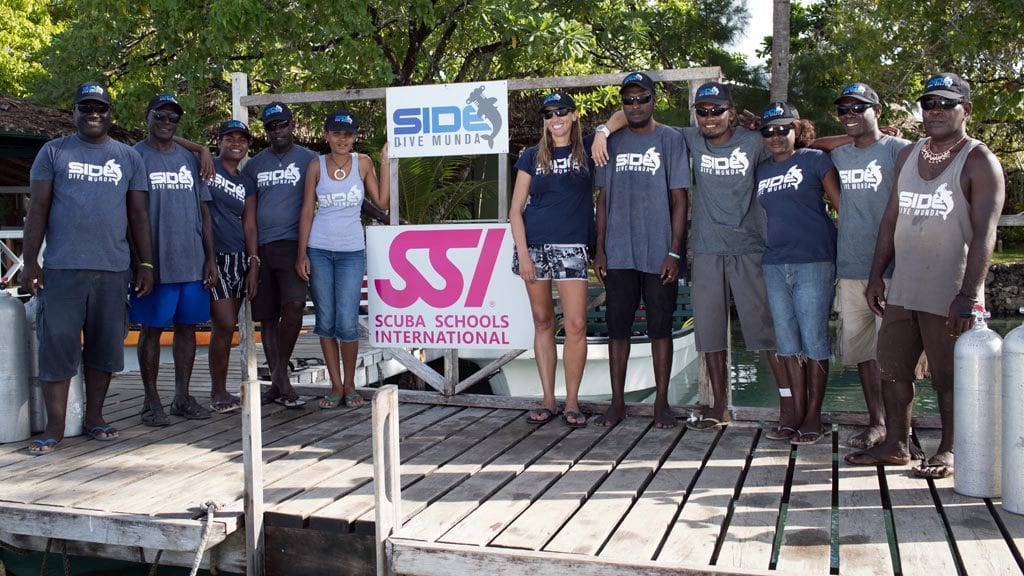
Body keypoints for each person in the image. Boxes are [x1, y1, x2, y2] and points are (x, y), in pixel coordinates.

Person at [593, 81, 788, 432]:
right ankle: (714, 407)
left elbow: (796, 143)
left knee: (763, 334)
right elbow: (628, 120)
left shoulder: (747, 139)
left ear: (732, 110)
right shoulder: (683, 137)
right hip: (697, 249)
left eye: (716, 110)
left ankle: (790, 407)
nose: (709, 117)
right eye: (703, 110)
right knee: (707, 333)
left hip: (743, 248)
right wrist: (602, 130)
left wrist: (672, 251)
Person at [846, 73, 1005, 478]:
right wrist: (877, 274)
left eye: (945, 104)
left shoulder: (978, 160)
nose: (934, 111)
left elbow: (987, 234)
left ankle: (951, 449)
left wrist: (968, 295)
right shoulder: (909, 154)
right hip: (905, 286)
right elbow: (891, 218)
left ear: (965, 110)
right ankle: (897, 446)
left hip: (951, 291)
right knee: (893, 367)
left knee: (949, 376)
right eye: (928, 104)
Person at [21, 82, 153, 454]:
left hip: (113, 270)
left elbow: (139, 215)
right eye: (85, 107)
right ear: (75, 112)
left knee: (105, 347)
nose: (93, 114)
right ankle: (55, 427)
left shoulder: (128, 158)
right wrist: (31, 262)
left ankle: (95, 416)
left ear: (111, 113)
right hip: (63, 268)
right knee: (57, 346)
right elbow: (37, 211)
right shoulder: (53, 152)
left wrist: (145, 263)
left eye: (100, 108)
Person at [593, 72, 689, 429]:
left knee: (660, 328)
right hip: (618, 253)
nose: (635, 106)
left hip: (658, 252)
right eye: (628, 100)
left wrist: (675, 252)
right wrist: (600, 248)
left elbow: (680, 199)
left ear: (654, 100)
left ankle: (661, 403)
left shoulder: (671, 139)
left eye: (642, 98)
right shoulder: (612, 142)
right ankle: (617, 403)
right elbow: (602, 198)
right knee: (617, 329)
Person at [820, 83, 909, 449]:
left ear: (879, 109)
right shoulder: (841, 155)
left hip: (894, 269)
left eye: (859, 108)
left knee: (896, 354)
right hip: (852, 267)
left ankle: (901, 430)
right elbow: (814, 144)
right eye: (844, 110)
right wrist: (850, 134)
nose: (850, 114)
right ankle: (877, 423)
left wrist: (874, 135)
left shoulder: (899, 151)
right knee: (863, 353)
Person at [754, 102, 841, 445]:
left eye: (783, 129)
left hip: (814, 260)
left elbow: (842, 208)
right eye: (768, 131)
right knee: (787, 342)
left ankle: (813, 416)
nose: (775, 136)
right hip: (775, 262)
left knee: (814, 339)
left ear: (796, 129)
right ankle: (794, 413)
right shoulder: (761, 170)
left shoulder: (815, 160)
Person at [131, 93, 218, 426]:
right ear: (147, 117)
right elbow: (131, 215)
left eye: (172, 118)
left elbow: (204, 211)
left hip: (192, 262)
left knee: (187, 329)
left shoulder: (188, 159)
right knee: (151, 330)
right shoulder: (135, 156)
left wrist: (209, 258)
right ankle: (150, 401)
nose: (166, 123)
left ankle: (182, 396)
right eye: (160, 116)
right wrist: (141, 262)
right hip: (156, 264)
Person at [509, 92, 594, 428]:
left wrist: (601, 131)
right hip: (536, 247)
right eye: (548, 114)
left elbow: (618, 119)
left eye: (561, 112)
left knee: (576, 325)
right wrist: (525, 255)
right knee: (543, 321)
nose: (555, 119)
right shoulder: (531, 156)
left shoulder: (587, 148)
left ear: (573, 115)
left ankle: (572, 402)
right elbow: (515, 211)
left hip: (572, 247)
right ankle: (548, 399)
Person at [296, 110, 389, 409]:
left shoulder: (363, 163)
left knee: (348, 321)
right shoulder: (315, 166)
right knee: (325, 320)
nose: (342, 139)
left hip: (351, 251)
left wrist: (386, 161)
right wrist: (301, 254)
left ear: (354, 137)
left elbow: (382, 201)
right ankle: (335, 386)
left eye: (347, 134)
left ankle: (351, 385)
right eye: (336, 133)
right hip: (319, 249)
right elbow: (307, 210)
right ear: (326, 135)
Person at [242, 102, 318, 408]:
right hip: (261, 248)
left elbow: (335, 193)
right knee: (268, 316)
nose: (278, 131)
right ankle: (281, 384)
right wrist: (252, 258)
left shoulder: (309, 159)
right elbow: (247, 214)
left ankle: (277, 375)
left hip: (293, 245)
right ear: (266, 131)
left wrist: (379, 214)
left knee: (295, 306)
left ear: (292, 124)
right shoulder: (254, 165)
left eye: (283, 124)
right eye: (272, 126)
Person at [205, 120, 259, 414]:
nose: (236, 143)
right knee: (224, 323)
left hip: (239, 256)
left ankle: (221, 388)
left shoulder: (245, 181)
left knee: (230, 325)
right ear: (220, 141)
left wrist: (253, 262)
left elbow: (249, 224)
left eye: (242, 139)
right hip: (213, 255)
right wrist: (200, 149)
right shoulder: (206, 166)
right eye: (230, 138)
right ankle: (217, 390)